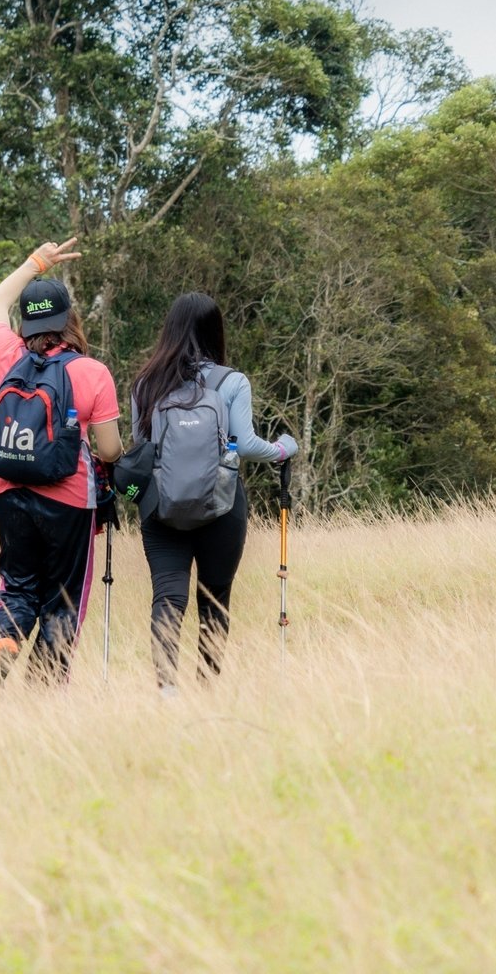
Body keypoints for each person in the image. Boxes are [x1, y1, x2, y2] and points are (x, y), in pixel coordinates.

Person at [0, 237, 124, 695]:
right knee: (62, 602)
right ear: (69, 321)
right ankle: (43, 694)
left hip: (9, 491)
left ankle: (3, 640)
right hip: (69, 500)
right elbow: (110, 450)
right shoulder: (92, 372)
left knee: (18, 588)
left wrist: (35, 262)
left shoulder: (9, 357)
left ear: (27, 323)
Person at [131, 291, 295, 694]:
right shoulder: (231, 381)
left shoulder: (146, 383)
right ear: (214, 331)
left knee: (167, 597)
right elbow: (246, 444)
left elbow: (140, 447)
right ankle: (207, 689)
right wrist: (282, 449)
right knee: (215, 598)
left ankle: (167, 692)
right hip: (221, 507)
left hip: (161, 507)